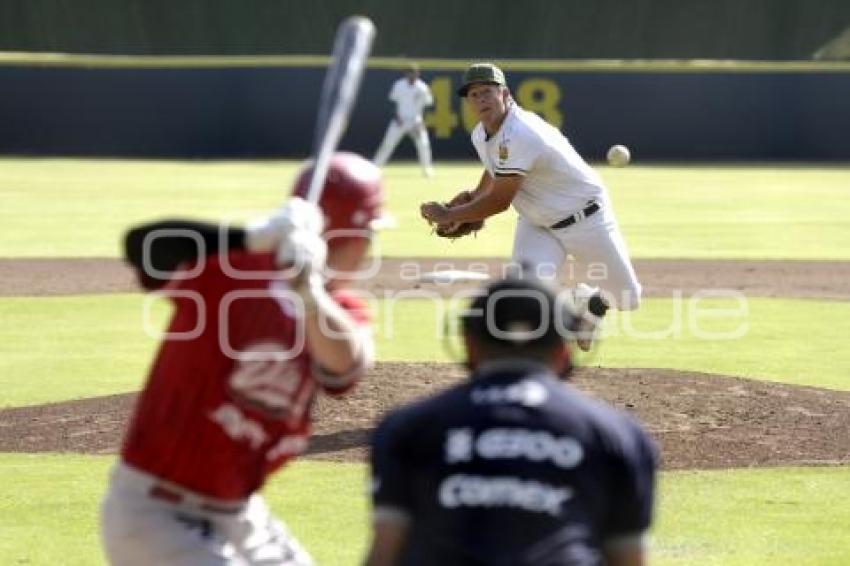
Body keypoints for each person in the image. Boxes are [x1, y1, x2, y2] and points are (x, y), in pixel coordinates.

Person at [100, 152, 384, 566]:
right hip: (158, 513)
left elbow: (347, 366)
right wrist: (251, 237)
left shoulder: (339, 310)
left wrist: (309, 294)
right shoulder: (232, 271)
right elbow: (142, 247)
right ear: (352, 236)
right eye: (371, 235)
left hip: (239, 513)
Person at [365, 275, 658, 566]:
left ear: (469, 343)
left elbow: (385, 554)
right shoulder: (617, 434)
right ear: (564, 349)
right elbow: (628, 559)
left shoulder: (407, 428)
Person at [420, 62, 642, 351]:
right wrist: (474, 196)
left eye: (487, 91)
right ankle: (522, 364)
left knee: (627, 298)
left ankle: (590, 303)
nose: (480, 100)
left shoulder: (522, 132)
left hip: (585, 218)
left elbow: (499, 202)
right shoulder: (481, 134)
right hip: (537, 224)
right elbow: (496, 169)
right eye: (473, 95)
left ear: (505, 94)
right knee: (522, 296)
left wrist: (450, 214)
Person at [373, 63, 435, 177]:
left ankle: (427, 170)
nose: (412, 74)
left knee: (424, 145)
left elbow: (427, 105)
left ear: (418, 73)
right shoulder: (398, 85)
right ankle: (375, 168)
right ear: (406, 74)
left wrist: (421, 121)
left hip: (415, 121)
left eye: (414, 72)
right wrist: (397, 117)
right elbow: (393, 103)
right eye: (409, 72)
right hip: (399, 120)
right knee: (388, 144)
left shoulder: (423, 87)